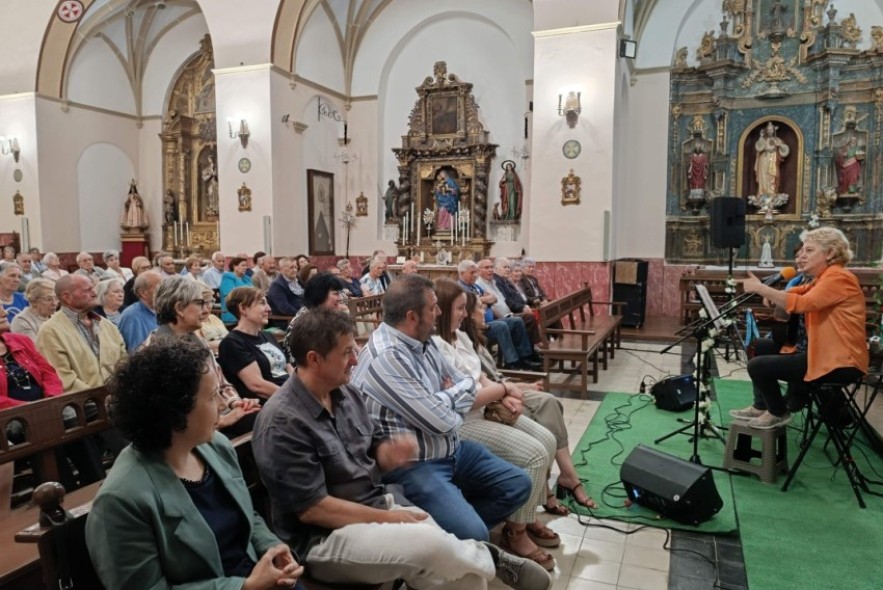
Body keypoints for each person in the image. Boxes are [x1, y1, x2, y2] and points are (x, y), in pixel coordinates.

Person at [252, 309, 551, 590]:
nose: (355, 361)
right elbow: (314, 510)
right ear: (314, 359)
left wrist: (384, 454)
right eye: (346, 353)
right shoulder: (283, 421)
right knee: (431, 546)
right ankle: (491, 559)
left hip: (375, 505)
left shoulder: (345, 395)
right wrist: (389, 518)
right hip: (324, 539)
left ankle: (479, 561)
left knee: (455, 570)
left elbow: (368, 452)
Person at [85, 340, 305, 590]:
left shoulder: (216, 447)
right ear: (176, 411)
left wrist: (272, 549)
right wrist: (243, 587)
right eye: (212, 397)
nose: (222, 405)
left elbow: (247, 516)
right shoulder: (121, 499)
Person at [351, 274, 532, 542]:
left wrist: (442, 396)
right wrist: (450, 397)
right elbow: (443, 420)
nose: (438, 312)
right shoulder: (387, 357)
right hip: (416, 465)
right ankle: (462, 539)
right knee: (474, 532)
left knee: (518, 484)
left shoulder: (424, 341)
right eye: (432, 307)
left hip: (451, 450)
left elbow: (466, 382)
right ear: (412, 317)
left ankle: (453, 540)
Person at [432, 278, 558, 569]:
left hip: (485, 408)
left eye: (466, 308)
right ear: (440, 310)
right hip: (463, 423)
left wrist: (504, 395)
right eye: (459, 308)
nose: (465, 314)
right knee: (534, 454)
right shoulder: (436, 346)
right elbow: (462, 398)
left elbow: (480, 377)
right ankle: (516, 533)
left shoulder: (459, 337)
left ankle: (527, 515)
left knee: (547, 440)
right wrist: (502, 392)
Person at [461, 290, 596, 511]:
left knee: (550, 402)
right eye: (478, 307)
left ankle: (568, 475)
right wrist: (509, 390)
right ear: (466, 313)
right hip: (493, 400)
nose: (483, 310)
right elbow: (481, 385)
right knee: (531, 415)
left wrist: (521, 386)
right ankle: (546, 491)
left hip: (503, 389)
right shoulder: (463, 345)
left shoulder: (474, 339)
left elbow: (495, 376)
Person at [735, 227, 868, 429]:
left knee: (758, 366)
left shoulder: (840, 278)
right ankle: (761, 405)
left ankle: (778, 412)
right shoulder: (823, 278)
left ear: (830, 253)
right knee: (760, 346)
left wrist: (762, 289)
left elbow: (804, 303)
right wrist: (771, 293)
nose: (801, 257)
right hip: (819, 352)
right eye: (802, 251)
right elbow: (799, 291)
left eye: (809, 251)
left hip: (840, 361)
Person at [0, 312, 105, 491]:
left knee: (74, 423)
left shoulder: (19, 340)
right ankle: (62, 493)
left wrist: (50, 398)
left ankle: (97, 483)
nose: (4, 313)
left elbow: (48, 371)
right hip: (10, 417)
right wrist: (30, 409)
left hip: (46, 404)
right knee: (42, 429)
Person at [36, 274, 127, 392]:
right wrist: (101, 398)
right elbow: (64, 379)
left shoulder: (107, 325)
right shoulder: (50, 332)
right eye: (87, 290)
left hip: (119, 399)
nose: (94, 293)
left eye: (93, 288)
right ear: (67, 297)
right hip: (83, 405)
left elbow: (124, 362)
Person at [458, 260, 537, 371]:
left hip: (488, 321)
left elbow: (493, 298)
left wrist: (481, 301)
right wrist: (483, 301)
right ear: (462, 273)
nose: (475, 275)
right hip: (476, 327)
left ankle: (525, 357)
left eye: (476, 272)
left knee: (517, 321)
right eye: (472, 273)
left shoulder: (475, 287)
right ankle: (511, 362)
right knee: (501, 326)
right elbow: (471, 304)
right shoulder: (460, 289)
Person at [219, 287, 292, 400]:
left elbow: (288, 368)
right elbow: (257, 386)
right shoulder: (232, 343)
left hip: (289, 394)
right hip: (269, 404)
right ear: (243, 308)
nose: (268, 308)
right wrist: (295, 398)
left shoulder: (268, 336)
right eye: (262, 303)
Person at [118, 271, 161, 351]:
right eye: (160, 287)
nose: (166, 290)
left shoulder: (163, 310)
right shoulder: (132, 316)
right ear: (143, 293)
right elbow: (137, 354)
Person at [754, 121, 789, 197]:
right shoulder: (763, 139)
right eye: (768, 130)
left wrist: (779, 145)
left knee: (772, 176)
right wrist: (760, 136)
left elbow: (785, 151)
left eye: (771, 130)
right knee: (763, 176)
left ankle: (771, 193)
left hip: (773, 159)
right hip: (763, 158)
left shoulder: (777, 140)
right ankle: (762, 193)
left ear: (774, 130)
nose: (770, 131)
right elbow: (759, 148)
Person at [219, 256, 253, 323]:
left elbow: (254, 292)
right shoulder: (227, 277)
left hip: (248, 312)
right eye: (243, 265)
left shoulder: (247, 278)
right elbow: (232, 295)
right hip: (233, 314)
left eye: (246, 266)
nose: (245, 267)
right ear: (235, 266)